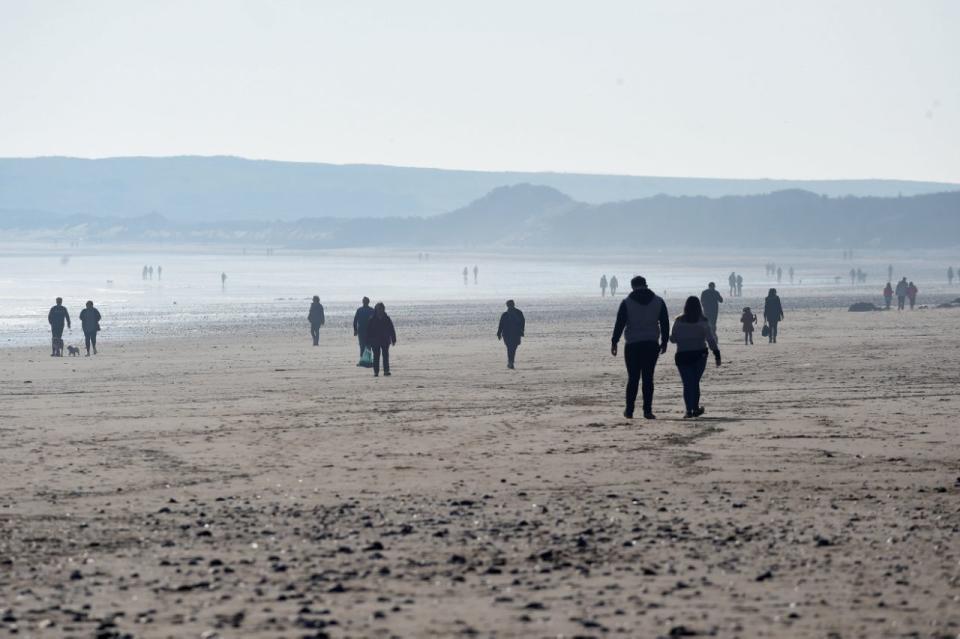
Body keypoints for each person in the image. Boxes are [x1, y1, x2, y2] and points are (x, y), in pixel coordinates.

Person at [611, 276, 669, 420]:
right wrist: (665, 341)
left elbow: (620, 323)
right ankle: (647, 411)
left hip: (632, 344)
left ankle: (629, 410)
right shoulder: (658, 301)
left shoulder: (626, 302)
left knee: (633, 378)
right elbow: (665, 323)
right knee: (648, 378)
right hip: (651, 343)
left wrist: (614, 341)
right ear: (645, 284)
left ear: (632, 286)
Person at [670, 297, 721, 418]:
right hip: (699, 355)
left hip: (682, 354)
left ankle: (689, 410)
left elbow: (673, 339)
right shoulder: (703, 320)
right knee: (694, 382)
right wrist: (716, 354)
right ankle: (695, 408)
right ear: (699, 307)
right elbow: (710, 338)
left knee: (687, 383)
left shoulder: (678, 320)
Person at [365, 302, 397, 377]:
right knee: (376, 356)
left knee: (385, 356)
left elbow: (391, 329)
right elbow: (368, 330)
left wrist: (393, 339)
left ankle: (386, 371)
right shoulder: (372, 318)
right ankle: (376, 372)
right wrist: (367, 341)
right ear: (376, 309)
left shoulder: (387, 318)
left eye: (381, 309)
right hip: (375, 341)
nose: (380, 310)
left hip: (385, 340)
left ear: (383, 309)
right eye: (378, 309)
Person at [496, 300, 525, 369]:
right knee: (512, 349)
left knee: (510, 348)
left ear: (507, 305)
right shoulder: (518, 312)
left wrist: (499, 333)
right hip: (514, 334)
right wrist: (521, 331)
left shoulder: (505, 314)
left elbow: (501, 325)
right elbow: (523, 323)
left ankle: (510, 362)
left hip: (508, 334)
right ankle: (511, 362)